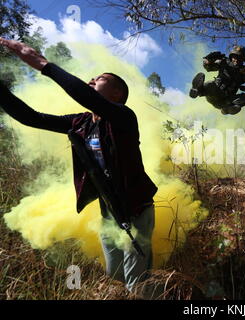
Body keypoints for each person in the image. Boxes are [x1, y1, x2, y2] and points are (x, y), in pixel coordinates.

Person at [0, 38, 158, 296]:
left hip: (137, 208)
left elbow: (84, 96)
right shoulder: (81, 122)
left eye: (100, 78)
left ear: (117, 94)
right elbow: (32, 118)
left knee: (136, 282)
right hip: (109, 211)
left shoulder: (123, 116)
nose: (92, 79)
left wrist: (43, 64)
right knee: (114, 276)